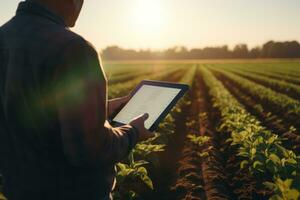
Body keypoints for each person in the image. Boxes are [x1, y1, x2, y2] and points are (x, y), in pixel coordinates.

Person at [0, 0, 154, 199]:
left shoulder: (4, 37)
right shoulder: (73, 49)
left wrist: (101, 110)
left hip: (18, 190)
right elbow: (91, 150)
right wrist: (133, 132)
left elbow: (25, 112)